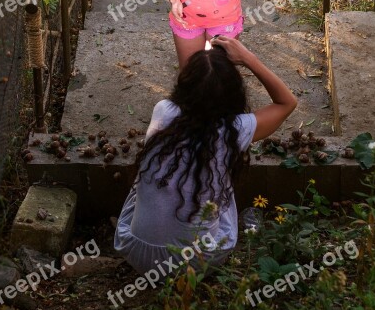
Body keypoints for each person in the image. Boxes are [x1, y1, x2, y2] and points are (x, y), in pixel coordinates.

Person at [114, 36, 297, 277]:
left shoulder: (163, 111)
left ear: (183, 85)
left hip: (137, 252)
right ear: (235, 93)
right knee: (219, 184)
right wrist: (248, 58)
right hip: (197, 263)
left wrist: (204, 64)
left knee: (149, 177)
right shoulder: (236, 129)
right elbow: (287, 102)